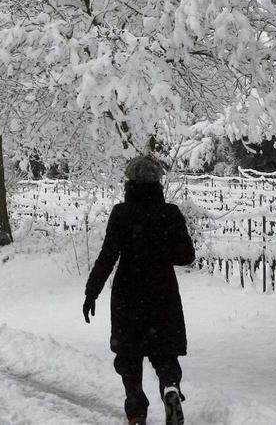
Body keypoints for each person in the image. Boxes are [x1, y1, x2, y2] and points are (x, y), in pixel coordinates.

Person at [83, 155, 196, 425]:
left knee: (129, 357)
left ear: (129, 181)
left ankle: (136, 413)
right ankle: (170, 388)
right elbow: (186, 256)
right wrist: (162, 248)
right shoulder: (170, 213)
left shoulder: (121, 213)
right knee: (164, 353)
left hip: (128, 295)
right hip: (163, 293)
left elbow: (108, 256)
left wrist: (91, 292)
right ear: (158, 181)